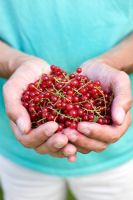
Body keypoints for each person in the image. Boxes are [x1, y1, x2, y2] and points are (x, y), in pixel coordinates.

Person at [0, 0, 133, 199]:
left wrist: (113, 63)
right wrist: (15, 63)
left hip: (119, 153)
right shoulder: (44, 99)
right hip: (17, 148)